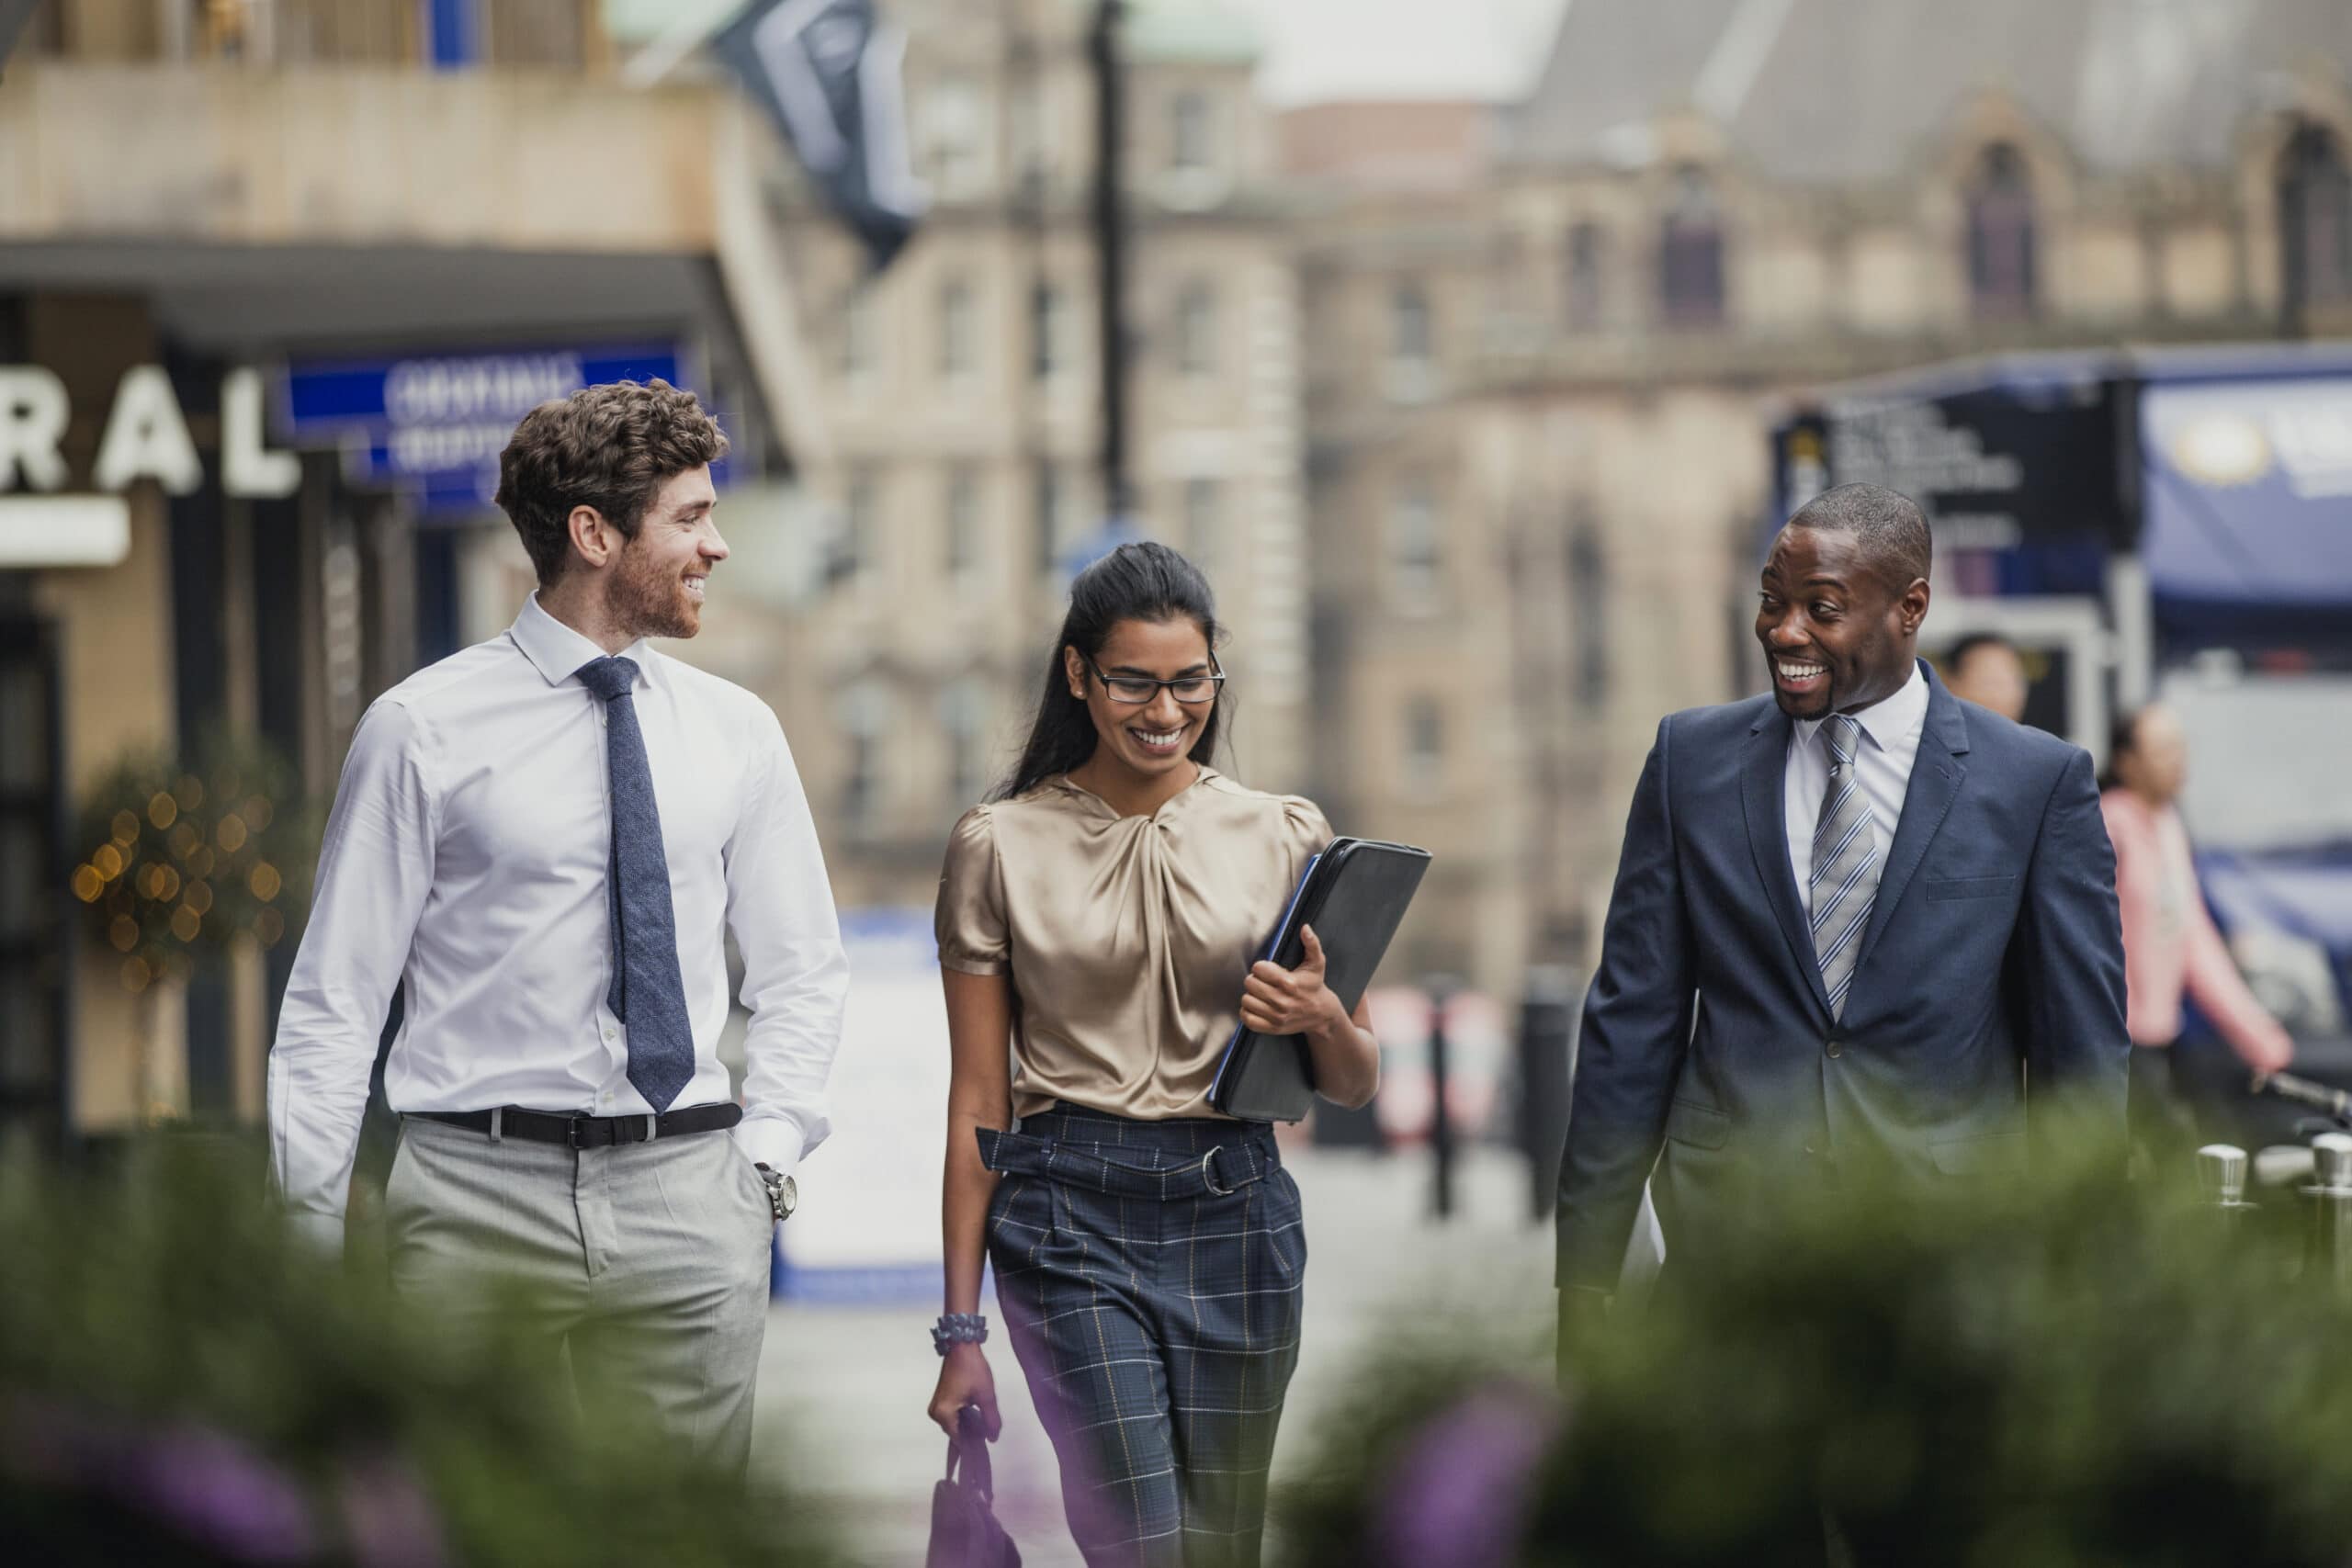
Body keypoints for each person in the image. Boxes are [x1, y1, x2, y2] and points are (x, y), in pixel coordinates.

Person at [267, 379, 848, 1472]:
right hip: (473, 1196)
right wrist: (303, 1245)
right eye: (690, 516)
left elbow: (804, 970)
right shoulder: (419, 730)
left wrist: (766, 1159)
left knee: (683, 1541)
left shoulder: (738, 733)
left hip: (689, 1192)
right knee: (467, 1523)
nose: (716, 546)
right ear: (593, 533)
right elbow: (335, 1005)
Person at [1555, 483, 2128, 1352]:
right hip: (1729, 1253)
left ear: (1911, 608)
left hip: (1948, 1264)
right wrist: (1588, 1273)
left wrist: (2084, 1280)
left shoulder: (2036, 783)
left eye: (1821, 609)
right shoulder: (1689, 762)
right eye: (1771, 602)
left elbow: (2079, 1057)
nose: (1784, 633)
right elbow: (1631, 1022)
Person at [925, 542, 1378, 1568]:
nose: (1165, 709)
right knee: (1137, 1545)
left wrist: (1318, 1016)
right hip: (1065, 1220)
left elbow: (1355, 1081)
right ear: (1079, 675)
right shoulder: (997, 844)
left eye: (1190, 682)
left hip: (1240, 1214)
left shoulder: (1286, 834)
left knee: (1222, 1548)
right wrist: (961, 1332)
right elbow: (977, 1104)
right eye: (1134, 682)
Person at [2099, 704, 2294, 1158]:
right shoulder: (2111, 823)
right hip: (2116, 1037)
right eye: (2163, 749)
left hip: (2159, 1036)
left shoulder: (2168, 826)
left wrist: (2259, 1035)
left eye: (2180, 747)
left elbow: (2194, 940)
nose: (2178, 759)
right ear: (2127, 761)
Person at [1940, 631, 2029, 723]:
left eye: (2010, 682)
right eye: (1990, 683)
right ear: (1950, 684)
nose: (2000, 696)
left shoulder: (2034, 736)